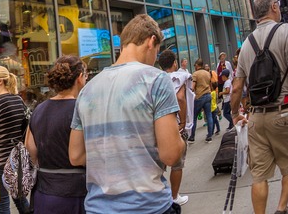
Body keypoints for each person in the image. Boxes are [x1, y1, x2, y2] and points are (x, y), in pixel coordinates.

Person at [69, 14, 184, 214]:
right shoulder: (156, 79)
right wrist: (181, 139)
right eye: (157, 52)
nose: (155, 58)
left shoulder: (87, 89)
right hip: (148, 206)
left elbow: (76, 156)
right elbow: (171, 155)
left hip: (98, 208)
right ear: (152, 41)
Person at [230, 0, 288, 214]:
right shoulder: (286, 31)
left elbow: (236, 87)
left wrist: (235, 114)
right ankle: (282, 207)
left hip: (255, 119)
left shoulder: (246, 44)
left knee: (259, 175)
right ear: (274, 7)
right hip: (283, 112)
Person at [24, 55, 87, 213]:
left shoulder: (38, 110)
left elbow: (30, 153)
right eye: (86, 75)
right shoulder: (81, 109)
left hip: (43, 192)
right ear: (79, 78)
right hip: (76, 193)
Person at [0, 65, 30, 214]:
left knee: (2, 202)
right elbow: (25, 128)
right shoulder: (18, 100)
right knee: (20, 198)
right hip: (17, 158)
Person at [158, 49, 190, 207]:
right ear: (175, 63)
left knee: (160, 164)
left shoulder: (157, 79)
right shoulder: (180, 77)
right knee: (177, 163)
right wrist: (183, 122)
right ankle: (174, 196)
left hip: (159, 125)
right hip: (175, 124)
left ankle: (160, 195)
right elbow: (181, 98)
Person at [189, 58, 216, 142]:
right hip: (208, 95)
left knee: (194, 117)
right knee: (209, 116)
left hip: (199, 96)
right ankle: (209, 136)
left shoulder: (195, 74)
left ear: (197, 65)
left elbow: (192, 87)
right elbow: (210, 84)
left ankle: (192, 137)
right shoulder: (207, 73)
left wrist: (190, 90)